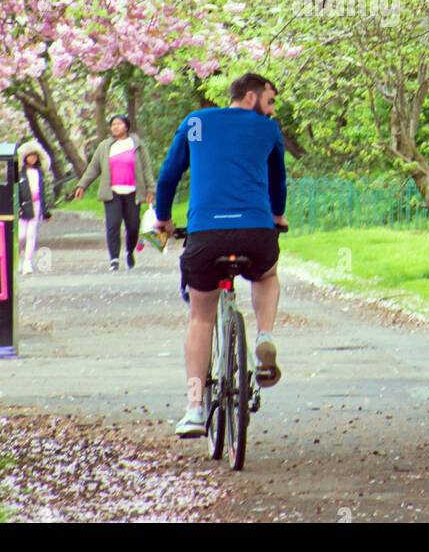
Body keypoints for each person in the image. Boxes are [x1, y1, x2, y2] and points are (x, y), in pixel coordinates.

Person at [155, 72, 287, 438]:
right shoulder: (268, 130)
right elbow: (278, 182)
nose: (271, 109)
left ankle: (195, 408)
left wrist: (164, 219)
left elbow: (168, 176)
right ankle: (263, 335)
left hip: (206, 235)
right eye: (270, 100)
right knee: (266, 274)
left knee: (201, 317)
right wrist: (277, 216)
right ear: (250, 97)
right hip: (256, 234)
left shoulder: (195, 122)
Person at [74, 114, 156, 272]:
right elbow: (94, 168)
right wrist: (82, 185)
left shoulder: (137, 144)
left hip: (133, 191)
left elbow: (146, 168)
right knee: (113, 225)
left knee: (133, 226)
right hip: (112, 192)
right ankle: (114, 258)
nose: (115, 127)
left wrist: (151, 189)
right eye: (112, 125)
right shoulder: (105, 146)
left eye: (118, 124)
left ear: (126, 126)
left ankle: (130, 251)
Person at [16, 141, 53, 276]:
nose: (32, 159)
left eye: (34, 156)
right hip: (23, 206)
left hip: (36, 205)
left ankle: (28, 262)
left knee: (31, 235)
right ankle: (19, 257)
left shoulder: (39, 173)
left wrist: (45, 210)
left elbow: (43, 192)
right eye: (30, 156)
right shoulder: (19, 173)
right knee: (21, 235)